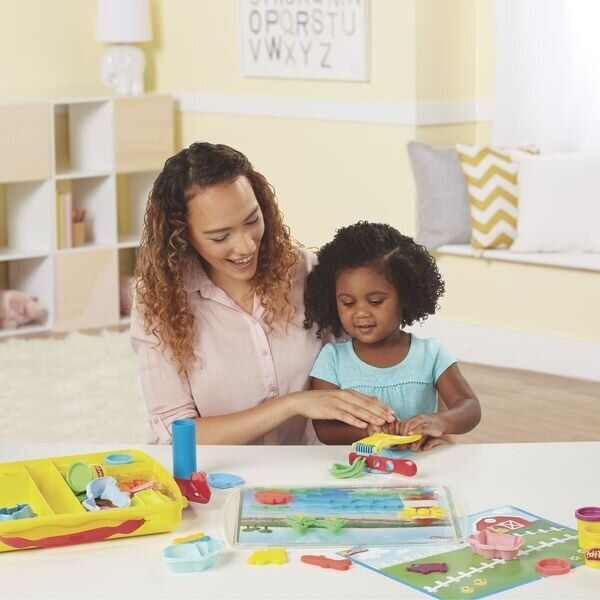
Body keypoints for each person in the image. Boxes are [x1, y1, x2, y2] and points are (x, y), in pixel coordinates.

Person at [131, 143, 396, 445]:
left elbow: (365, 358)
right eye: (220, 236)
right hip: (214, 469)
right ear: (182, 235)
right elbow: (175, 434)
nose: (246, 246)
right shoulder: (158, 300)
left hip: (307, 465)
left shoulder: (306, 273)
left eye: (252, 221)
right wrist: (292, 405)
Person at [304, 221, 481, 450]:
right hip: (357, 467)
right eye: (348, 303)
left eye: (376, 301)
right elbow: (325, 429)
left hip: (419, 464)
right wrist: (367, 432)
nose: (361, 312)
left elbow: (469, 406)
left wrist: (438, 422)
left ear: (405, 296)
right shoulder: (332, 359)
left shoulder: (430, 353)